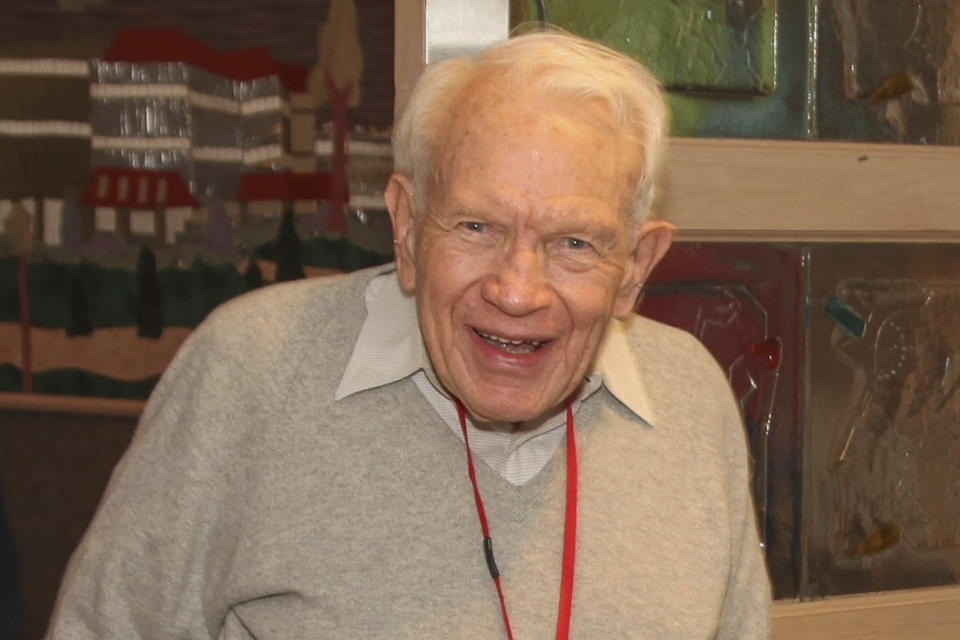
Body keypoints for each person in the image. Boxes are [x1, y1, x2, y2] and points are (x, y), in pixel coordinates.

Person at [47, 31, 770, 638]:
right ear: (405, 226)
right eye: (477, 227)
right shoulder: (254, 372)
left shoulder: (691, 397)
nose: (517, 290)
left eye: (575, 243)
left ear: (637, 267)